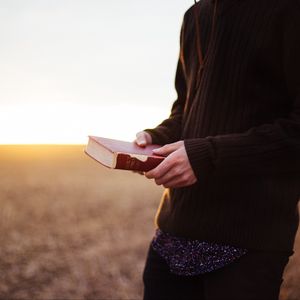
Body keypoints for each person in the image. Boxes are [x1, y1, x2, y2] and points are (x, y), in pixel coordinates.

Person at [135, 0, 300, 299]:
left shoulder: (289, 10)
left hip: (248, 245)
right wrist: (156, 136)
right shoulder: (196, 15)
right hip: (173, 236)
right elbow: (185, 108)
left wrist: (207, 157)